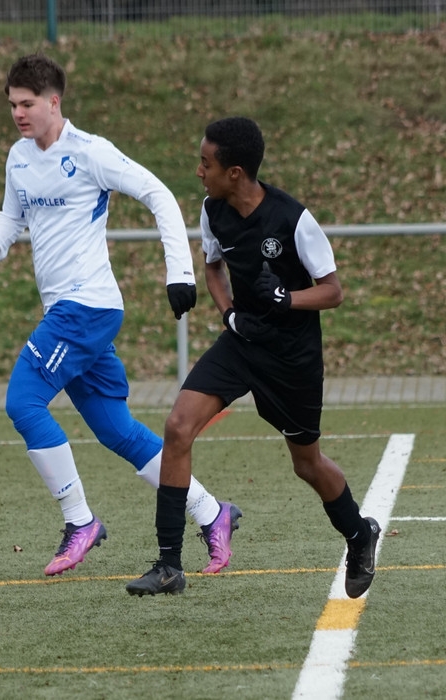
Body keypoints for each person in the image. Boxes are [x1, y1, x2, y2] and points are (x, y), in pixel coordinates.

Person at [0, 53, 241, 577]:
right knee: (118, 431)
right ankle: (213, 512)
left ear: (54, 101)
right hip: (70, 311)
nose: (18, 114)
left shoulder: (90, 152)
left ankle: (81, 521)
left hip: (86, 307)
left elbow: (159, 195)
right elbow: (12, 215)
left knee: (23, 401)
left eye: (27, 104)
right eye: (12, 105)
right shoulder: (18, 157)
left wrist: (179, 273)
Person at [126, 116, 380, 597]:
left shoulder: (293, 219)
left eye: (206, 164)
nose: (199, 172)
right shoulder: (213, 210)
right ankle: (169, 566)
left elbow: (333, 291)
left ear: (235, 172)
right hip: (242, 343)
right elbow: (213, 269)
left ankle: (358, 533)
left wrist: (286, 298)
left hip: (291, 355)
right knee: (178, 427)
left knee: (307, 463)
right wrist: (229, 315)